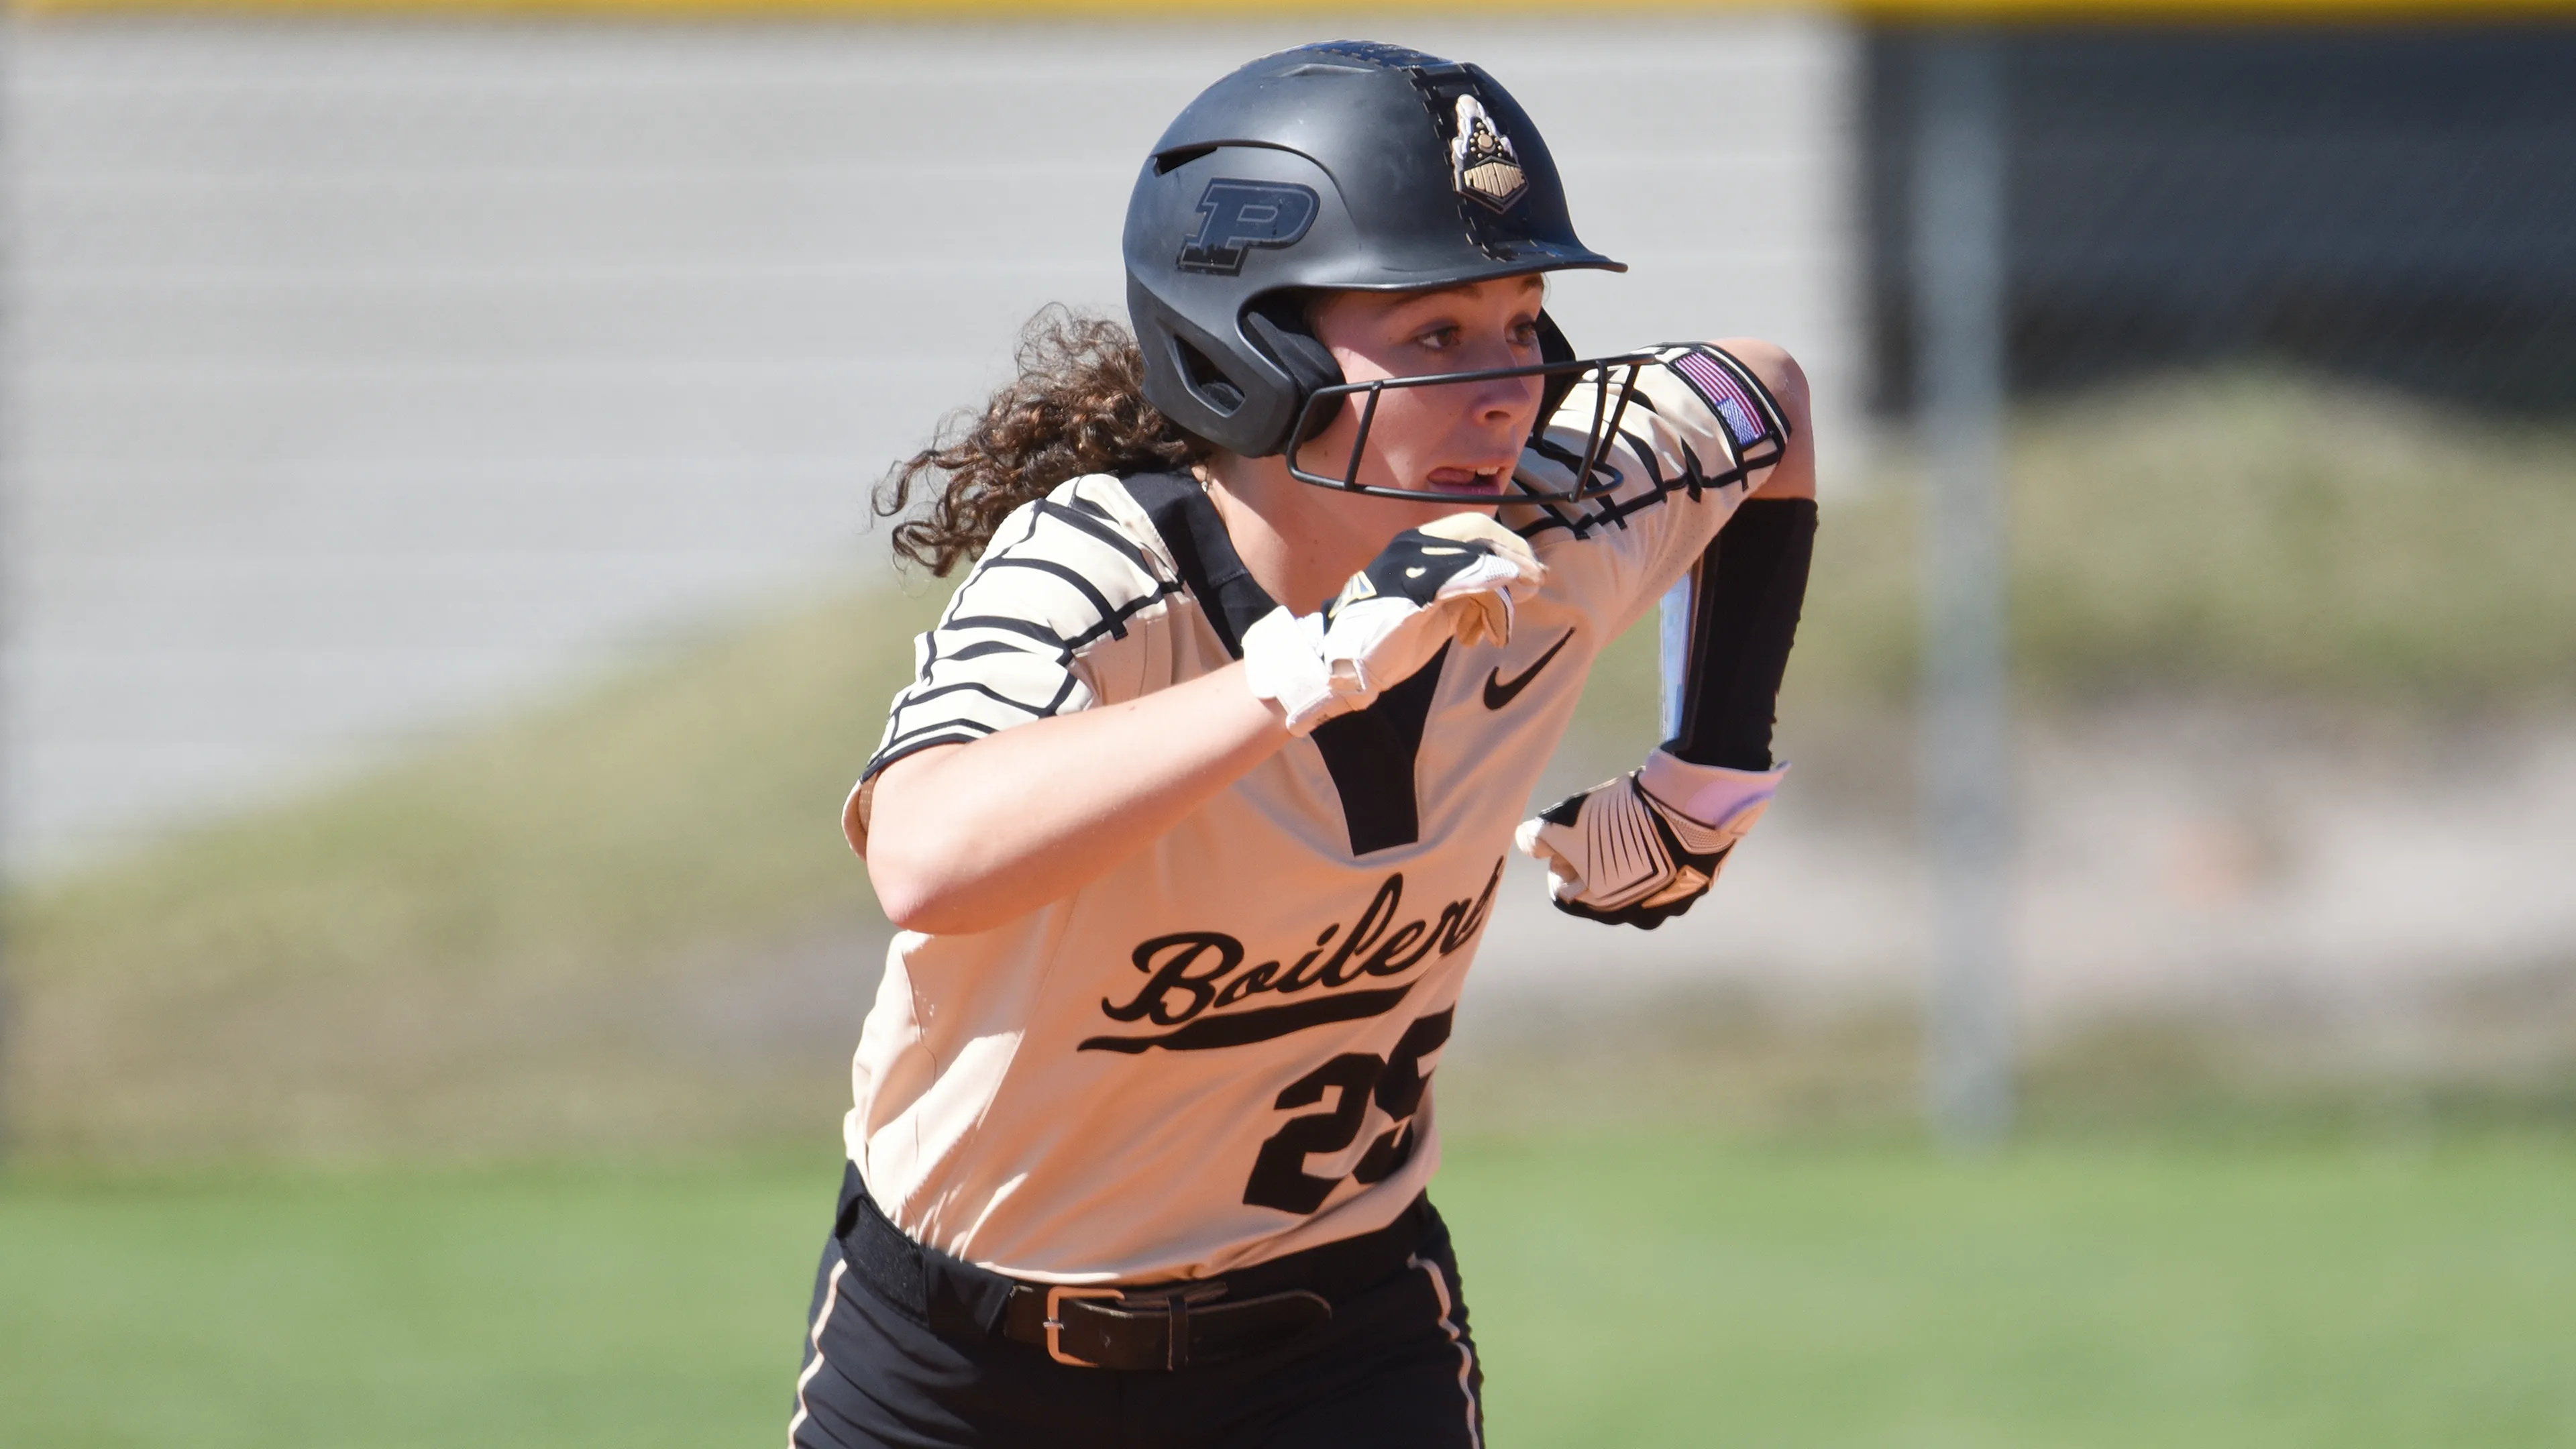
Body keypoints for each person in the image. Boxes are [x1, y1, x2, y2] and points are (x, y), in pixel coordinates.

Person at [791, 40, 1818, 1449]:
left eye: (1522, 322)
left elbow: (1766, 398)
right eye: (1436, 335)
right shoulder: (1106, 566)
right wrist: (1302, 670)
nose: (1509, 387)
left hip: (1338, 1345)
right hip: (972, 1362)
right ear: (1244, 347)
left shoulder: (1545, 521)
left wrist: (1708, 771)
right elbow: (924, 856)